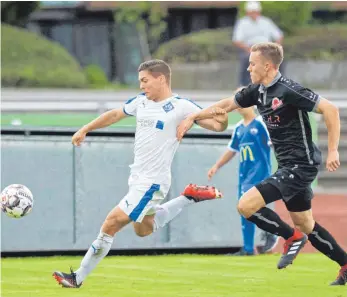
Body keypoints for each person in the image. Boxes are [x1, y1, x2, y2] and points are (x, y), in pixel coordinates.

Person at [177, 42, 347, 286]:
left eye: (252, 64)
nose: (248, 68)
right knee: (306, 223)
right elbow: (226, 105)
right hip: (287, 166)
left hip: (301, 165)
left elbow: (330, 109)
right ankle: (345, 264)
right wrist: (194, 116)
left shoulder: (289, 89)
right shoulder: (256, 91)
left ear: (267, 66)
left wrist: (332, 151)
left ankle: (291, 238)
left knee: (246, 205)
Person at [52, 59, 226, 288]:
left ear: (161, 79)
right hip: (137, 180)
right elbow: (114, 114)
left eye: (145, 81)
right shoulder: (140, 102)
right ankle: (188, 197)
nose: (141, 86)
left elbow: (217, 126)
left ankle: (77, 277)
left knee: (111, 223)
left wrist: (221, 117)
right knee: (143, 229)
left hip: (153, 182)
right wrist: (86, 128)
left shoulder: (181, 106)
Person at [208, 103, 278, 256]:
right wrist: (217, 166)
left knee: (249, 206)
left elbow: (276, 141)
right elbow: (232, 150)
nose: (239, 106)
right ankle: (248, 248)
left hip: (259, 173)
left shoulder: (261, 123)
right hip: (244, 175)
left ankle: (272, 232)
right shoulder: (239, 128)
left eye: (243, 101)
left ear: (252, 104)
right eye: (237, 102)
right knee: (244, 209)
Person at [232, 1, 283, 86]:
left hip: (267, 49)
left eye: (255, 12)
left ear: (259, 12)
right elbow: (237, 40)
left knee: (278, 59)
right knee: (247, 60)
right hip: (249, 49)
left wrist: (275, 48)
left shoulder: (266, 22)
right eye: (251, 12)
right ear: (247, 12)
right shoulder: (242, 23)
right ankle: (244, 85)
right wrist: (249, 50)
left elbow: (279, 36)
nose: (254, 14)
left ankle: (277, 84)